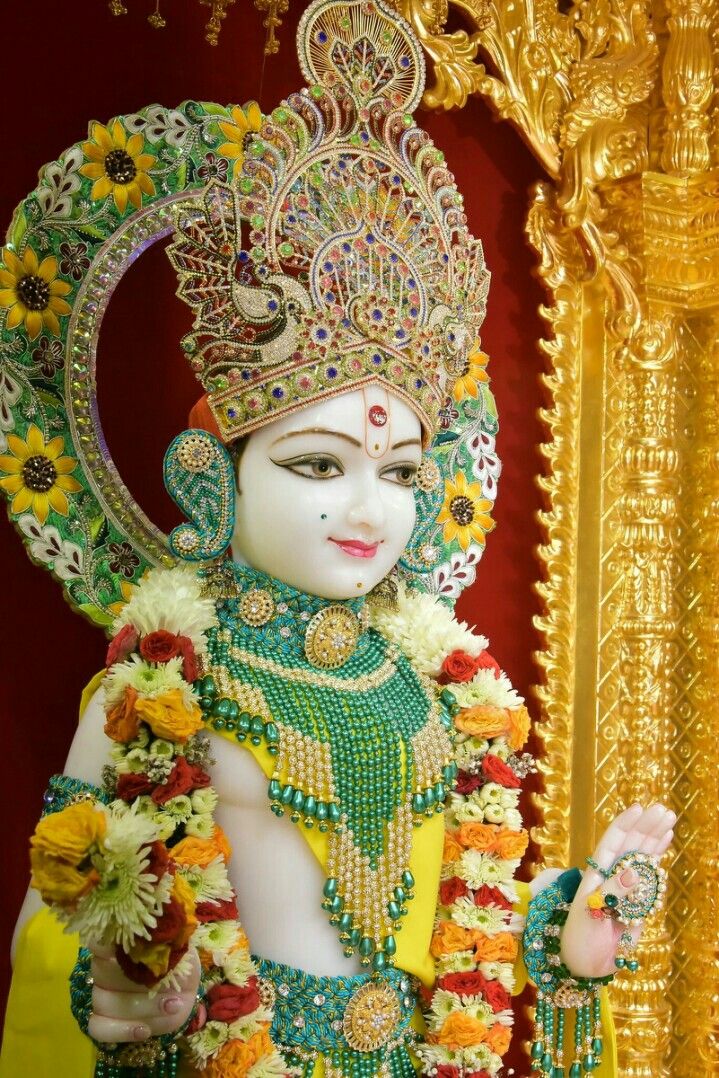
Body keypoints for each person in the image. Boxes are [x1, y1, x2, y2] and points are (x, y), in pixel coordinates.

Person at [0, 1, 674, 1075]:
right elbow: (61, 900)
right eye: (317, 465)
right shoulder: (165, 681)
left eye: (399, 474)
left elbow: (455, 898)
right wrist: (113, 991)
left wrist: (568, 922)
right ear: (210, 479)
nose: (368, 508)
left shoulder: (433, 682)